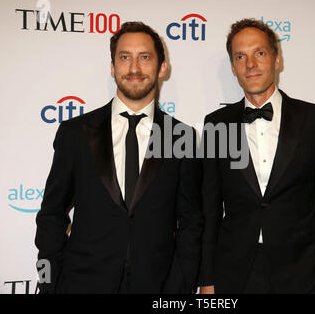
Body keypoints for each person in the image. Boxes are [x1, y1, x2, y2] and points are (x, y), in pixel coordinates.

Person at [35, 21, 203, 294]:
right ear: (112, 67)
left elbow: (191, 221)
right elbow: (51, 215)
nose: (134, 68)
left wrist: (180, 287)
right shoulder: (75, 133)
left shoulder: (181, 136)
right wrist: (49, 282)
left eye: (144, 57)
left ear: (162, 67)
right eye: (125, 57)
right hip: (81, 285)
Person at [198, 18, 315, 294]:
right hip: (233, 275)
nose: (250, 64)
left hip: (302, 274)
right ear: (233, 68)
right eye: (240, 57)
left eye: (259, 53)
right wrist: (207, 278)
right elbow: (208, 209)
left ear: (277, 59)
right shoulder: (216, 124)